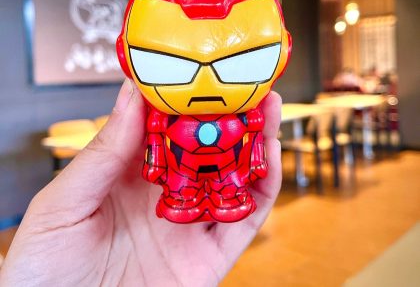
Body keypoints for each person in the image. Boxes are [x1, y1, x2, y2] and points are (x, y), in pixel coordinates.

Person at [0, 80, 282, 286]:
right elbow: (157, 137)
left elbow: (254, 135)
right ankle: (184, 197)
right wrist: (156, 163)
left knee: (228, 187)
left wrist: (255, 159)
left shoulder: (245, 113)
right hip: (181, 168)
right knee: (182, 188)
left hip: (229, 167)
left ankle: (227, 195)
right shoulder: (164, 114)